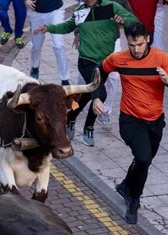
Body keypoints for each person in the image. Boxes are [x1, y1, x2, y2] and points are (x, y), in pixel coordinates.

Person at [91, 21, 168, 224]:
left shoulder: (161, 58)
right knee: (143, 158)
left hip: (155, 121)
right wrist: (97, 97)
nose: (135, 50)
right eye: (132, 45)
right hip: (130, 120)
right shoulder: (119, 59)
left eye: (140, 45)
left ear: (147, 39)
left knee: (146, 160)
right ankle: (134, 200)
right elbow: (99, 71)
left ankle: (126, 185)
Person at [35, 0, 137, 147]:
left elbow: (133, 21)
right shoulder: (80, 10)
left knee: (89, 94)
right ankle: (89, 127)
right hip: (86, 61)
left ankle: (71, 117)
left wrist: (124, 20)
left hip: (104, 63)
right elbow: (68, 26)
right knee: (100, 94)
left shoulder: (111, 6)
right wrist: (49, 28)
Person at [25, 0, 70, 85]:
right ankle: (35, 67)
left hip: (55, 12)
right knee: (36, 47)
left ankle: (65, 79)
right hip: (36, 13)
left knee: (58, 45)